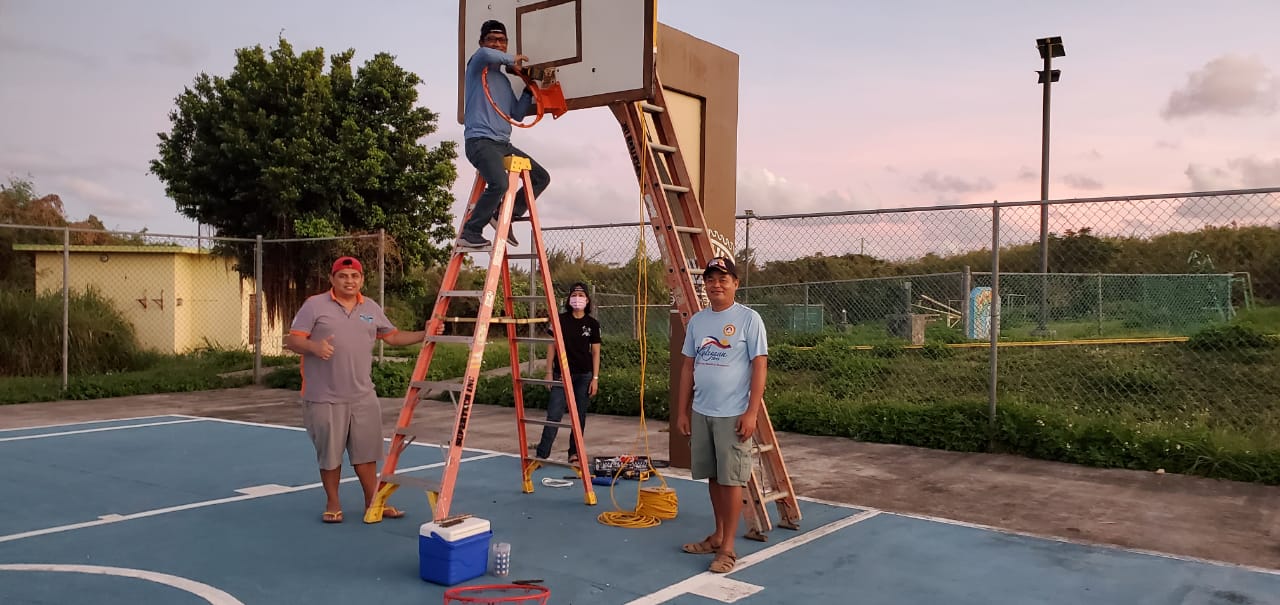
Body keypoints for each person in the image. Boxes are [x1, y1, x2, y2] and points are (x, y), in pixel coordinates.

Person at [284, 256, 426, 524]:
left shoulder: (370, 307)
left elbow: (393, 336)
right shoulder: (314, 305)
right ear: (332, 279)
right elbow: (292, 340)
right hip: (323, 397)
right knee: (330, 454)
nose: (349, 281)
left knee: (366, 454)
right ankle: (333, 502)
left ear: (361, 279)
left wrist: (424, 333)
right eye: (343, 276)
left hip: (363, 396)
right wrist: (314, 347)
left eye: (354, 276)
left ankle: (373, 503)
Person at [675, 257, 768, 574]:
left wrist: (751, 411)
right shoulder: (699, 322)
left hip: (733, 414)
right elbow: (688, 366)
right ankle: (716, 535)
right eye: (710, 279)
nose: (716, 284)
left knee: (732, 481)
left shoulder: (749, 319)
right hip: (702, 412)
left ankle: (728, 548)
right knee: (713, 477)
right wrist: (682, 411)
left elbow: (759, 365)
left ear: (735, 283)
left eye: (723, 279)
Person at [459, 19, 551, 249]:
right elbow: (486, 55)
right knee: (499, 183)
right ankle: (470, 232)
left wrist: (530, 91)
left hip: (503, 144)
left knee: (542, 177)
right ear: (482, 42)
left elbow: (517, 115)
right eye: (492, 39)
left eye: (502, 41)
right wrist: (513, 61)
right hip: (480, 141)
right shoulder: (476, 64)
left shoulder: (502, 81)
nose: (497, 44)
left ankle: (503, 214)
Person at [535, 282, 601, 464]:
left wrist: (595, 378)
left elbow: (595, 352)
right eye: (575, 295)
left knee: (579, 416)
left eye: (581, 296)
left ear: (587, 300)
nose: (578, 299)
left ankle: (574, 452)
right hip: (561, 374)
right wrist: (548, 372)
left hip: (584, 375)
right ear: (569, 299)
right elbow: (552, 347)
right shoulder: (560, 320)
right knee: (554, 414)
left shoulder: (592, 324)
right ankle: (542, 454)